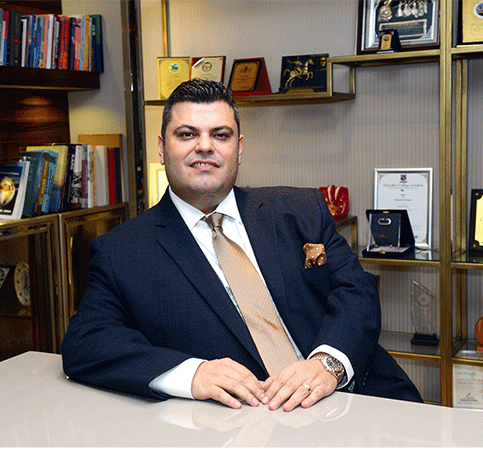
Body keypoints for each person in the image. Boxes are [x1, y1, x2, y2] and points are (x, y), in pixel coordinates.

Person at [61, 79, 421, 411]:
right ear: (161, 147)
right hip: (243, 424)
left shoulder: (300, 210)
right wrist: (192, 374)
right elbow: (86, 342)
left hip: (358, 398)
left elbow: (357, 292)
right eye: (187, 134)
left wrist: (328, 364)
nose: (205, 146)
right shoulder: (122, 251)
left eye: (220, 135)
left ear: (239, 147)